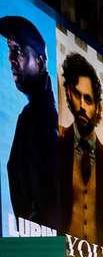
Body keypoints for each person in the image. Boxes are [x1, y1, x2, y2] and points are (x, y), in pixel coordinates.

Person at [0, 16, 59, 228]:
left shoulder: (41, 118)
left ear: (41, 62)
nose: (11, 59)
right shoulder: (32, 115)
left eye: (19, 51)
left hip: (40, 251)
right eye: (10, 50)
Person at [55, 52, 103, 244]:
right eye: (78, 95)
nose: (82, 106)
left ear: (97, 107)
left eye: (89, 100)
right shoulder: (58, 145)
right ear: (69, 93)